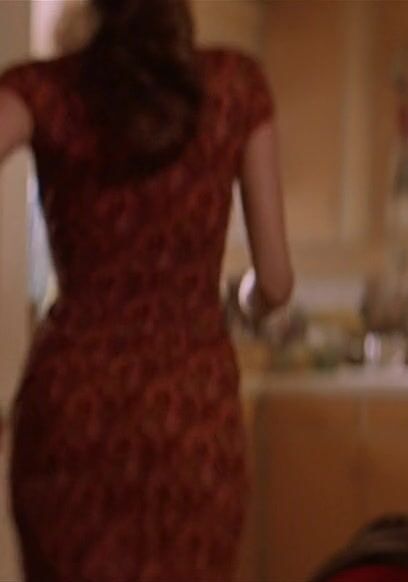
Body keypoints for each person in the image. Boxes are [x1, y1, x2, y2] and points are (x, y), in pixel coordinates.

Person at [0, 0, 293, 578]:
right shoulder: (236, 86)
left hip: (73, 405)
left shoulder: (42, 88)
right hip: (191, 407)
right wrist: (245, 300)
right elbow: (277, 284)